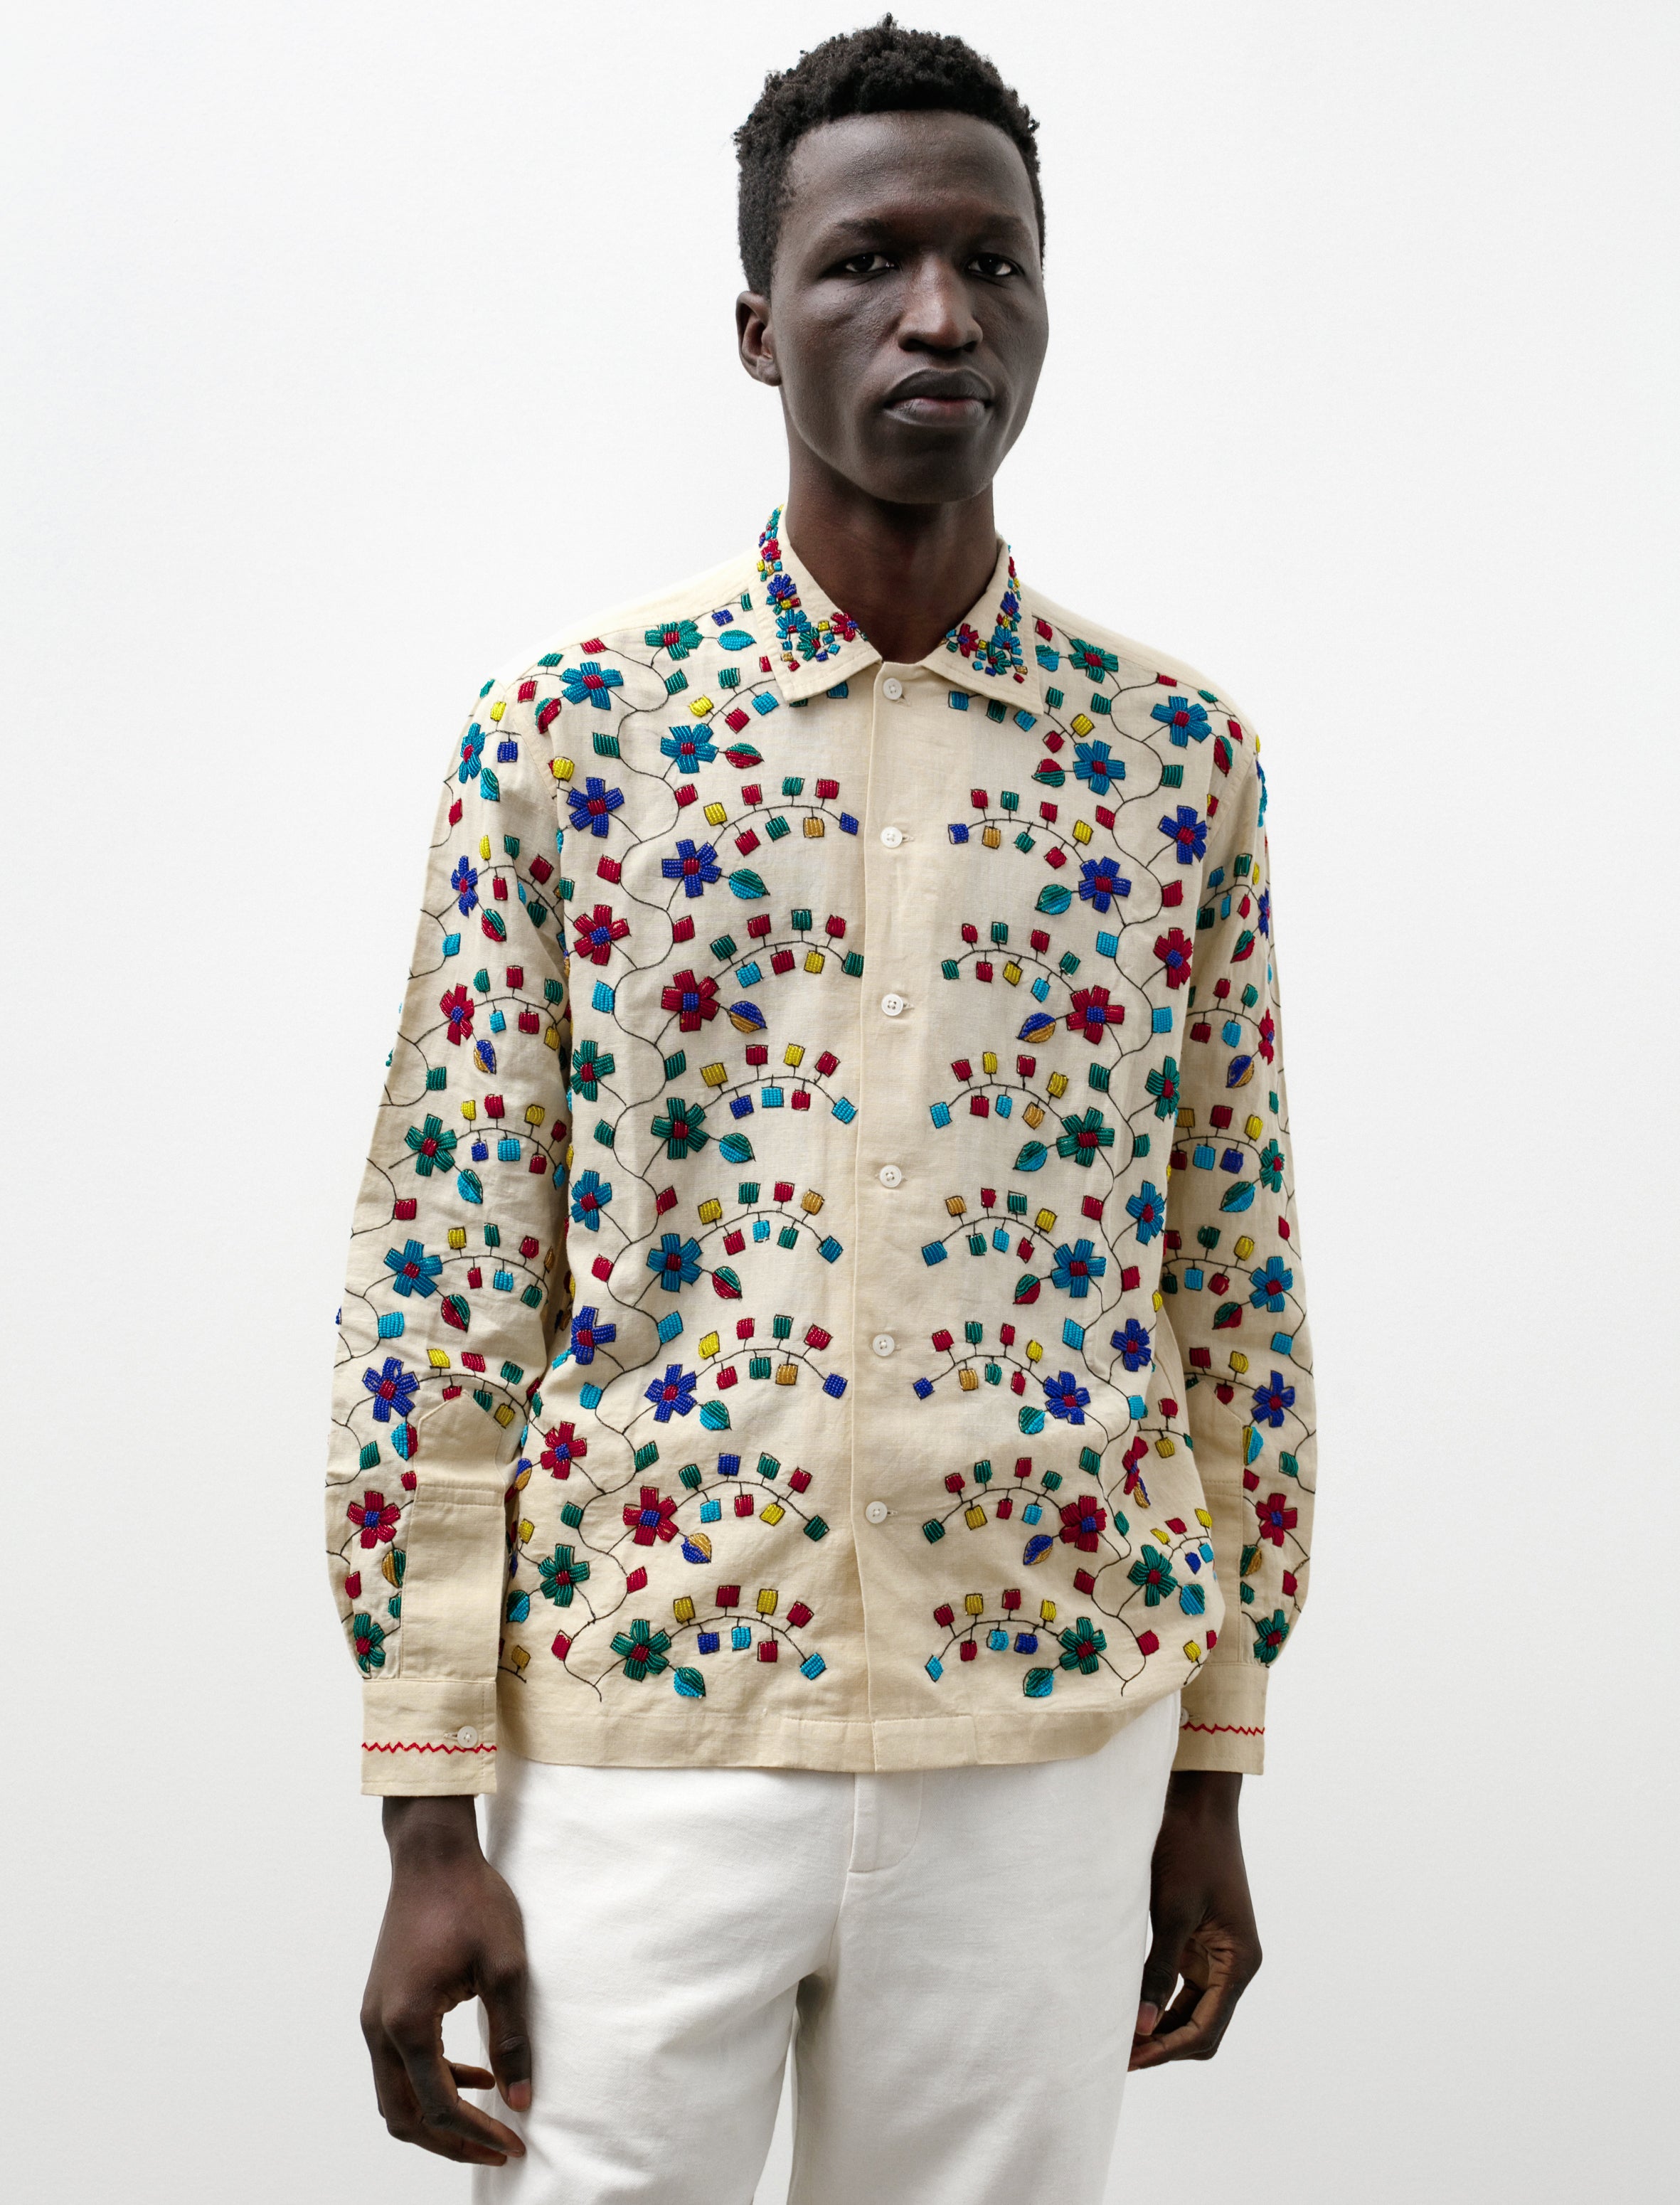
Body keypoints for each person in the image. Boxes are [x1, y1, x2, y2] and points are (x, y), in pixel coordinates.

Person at [328, 18, 1317, 2201]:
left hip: (1045, 1732)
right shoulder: (573, 735)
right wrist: (425, 1814)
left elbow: (1227, 1277)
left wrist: (1210, 1770)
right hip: (639, 1726)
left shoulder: (1176, 764)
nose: (939, 314)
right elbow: (445, 1273)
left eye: (993, 262)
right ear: (759, 324)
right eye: (868, 260)